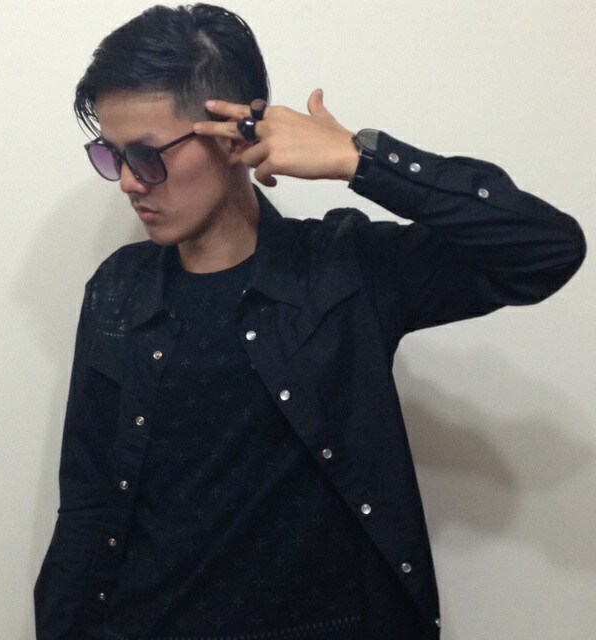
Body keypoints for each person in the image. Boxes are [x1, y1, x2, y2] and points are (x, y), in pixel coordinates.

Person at [33, 3, 586, 640]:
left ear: (234, 135)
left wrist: (360, 160)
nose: (129, 183)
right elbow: (89, 502)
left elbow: (546, 250)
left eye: (147, 155)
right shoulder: (118, 290)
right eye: (112, 155)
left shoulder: (341, 270)